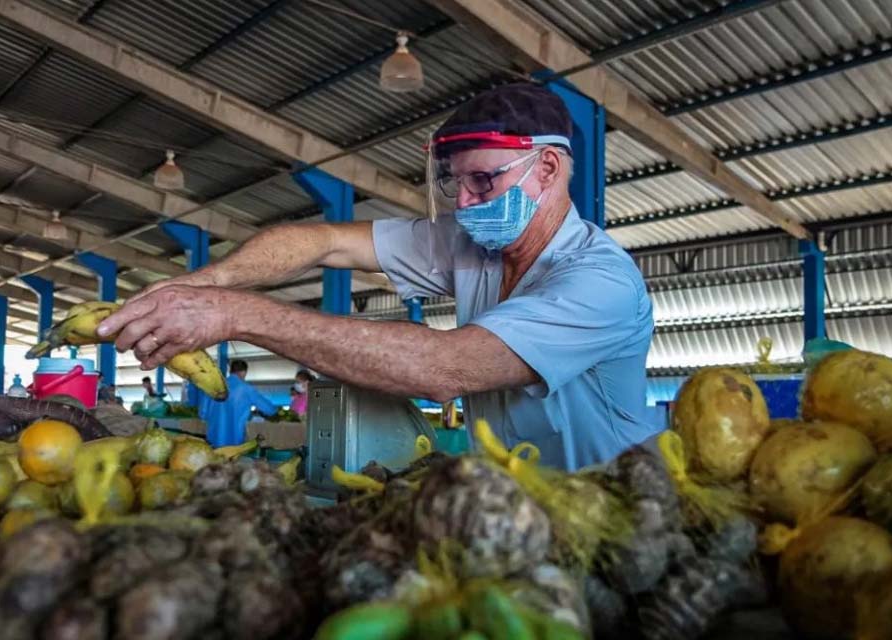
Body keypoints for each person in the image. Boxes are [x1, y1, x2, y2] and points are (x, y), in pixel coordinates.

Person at [96, 83, 656, 470]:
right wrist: (209, 284)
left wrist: (233, 315)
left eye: (482, 182)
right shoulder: (476, 249)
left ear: (549, 169)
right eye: (455, 185)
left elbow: (446, 367)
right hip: (515, 511)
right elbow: (325, 241)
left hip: (609, 508)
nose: (464, 202)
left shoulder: (598, 281)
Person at [199, 359, 278, 447]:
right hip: (235, 440)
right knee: (233, 459)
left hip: (213, 439)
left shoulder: (214, 385)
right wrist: (275, 411)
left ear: (230, 371)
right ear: (244, 372)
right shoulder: (247, 389)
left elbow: (202, 413)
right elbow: (269, 409)